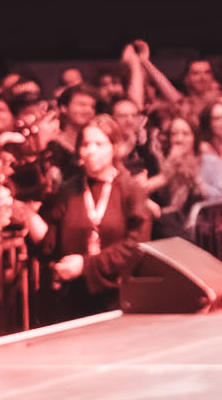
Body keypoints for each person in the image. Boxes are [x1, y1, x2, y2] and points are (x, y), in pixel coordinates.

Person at [38, 117, 156, 321]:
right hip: (74, 299)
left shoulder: (130, 190)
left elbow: (137, 245)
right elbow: (50, 245)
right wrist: (27, 216)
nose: (91, 151)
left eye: (99, 144)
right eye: (85, 145)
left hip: (118, 297)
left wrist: (86, 266)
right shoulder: (69, 191)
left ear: (114, 148)